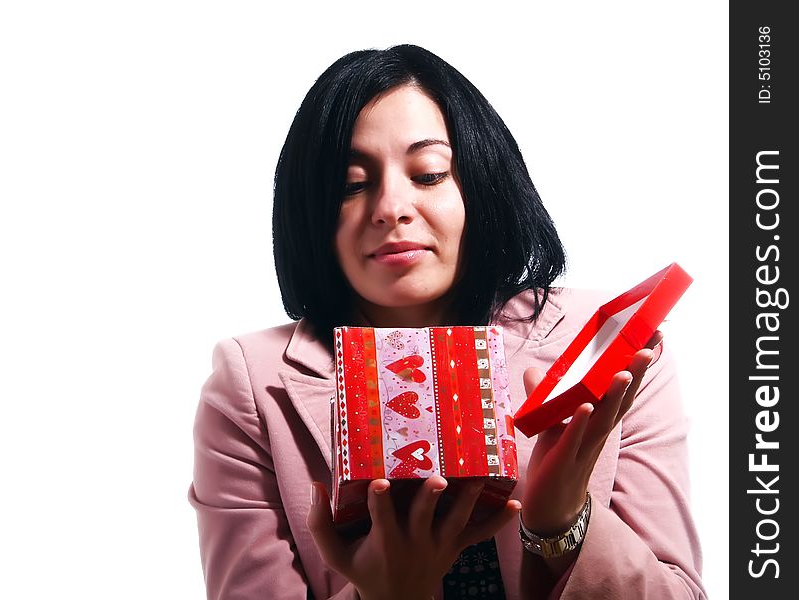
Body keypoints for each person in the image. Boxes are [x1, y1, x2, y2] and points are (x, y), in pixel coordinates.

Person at [188, 44, 706, 599]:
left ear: (481, 185)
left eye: (429, 174)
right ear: (311, 210)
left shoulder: (608, 348)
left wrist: (562, 522)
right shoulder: (249, 385)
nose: (391, 206)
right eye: (351, 184)